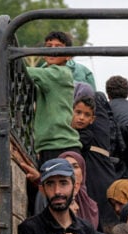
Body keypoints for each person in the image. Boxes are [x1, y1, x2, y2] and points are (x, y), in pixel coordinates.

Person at [25, 32, 82, 164]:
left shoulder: (60, 73)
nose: (52, 50)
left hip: (60, 145)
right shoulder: (47, 74)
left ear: (68, 56)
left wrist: (8, 57)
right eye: (49, 46)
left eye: (58, 47)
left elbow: (27, 72)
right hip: (52, 145)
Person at [18, 158, 107, 234]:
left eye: (63, 183)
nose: (57, 191)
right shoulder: (30, 228)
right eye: (50, 184)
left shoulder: (86, 229)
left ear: (75, 187)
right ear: (42, 190)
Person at [72, 94, 121, 231]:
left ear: (93, 119)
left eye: (86, 114)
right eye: (78, 113)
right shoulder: (100, 129)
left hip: (95, 179)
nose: (81, 118)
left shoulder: (84, 135)